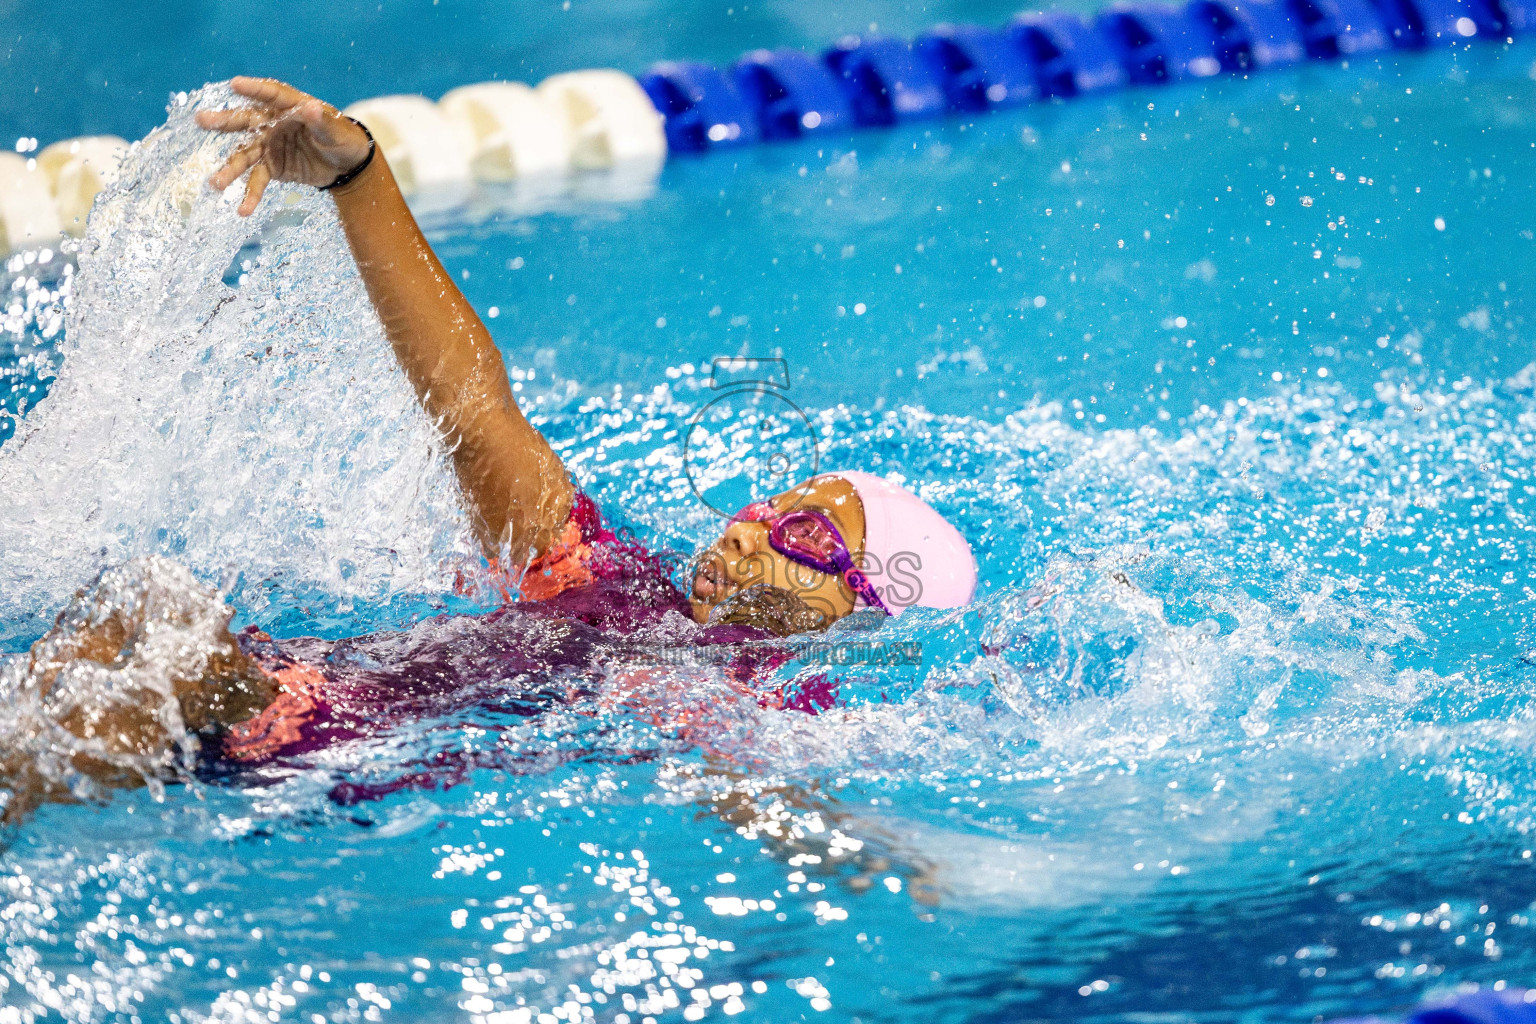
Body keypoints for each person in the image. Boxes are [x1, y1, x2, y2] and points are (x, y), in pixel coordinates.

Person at [6, 77, 979, 813]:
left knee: (150, 640)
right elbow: (476, 418)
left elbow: (755, 789)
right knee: (125, 617)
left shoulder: (759, 696)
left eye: (804, 534)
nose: (755, 524)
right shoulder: (611, 578)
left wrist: (874, 861)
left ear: (857, 607)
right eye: (778, 501)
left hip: (314, 747)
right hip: (289, 688)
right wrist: (359, 177)